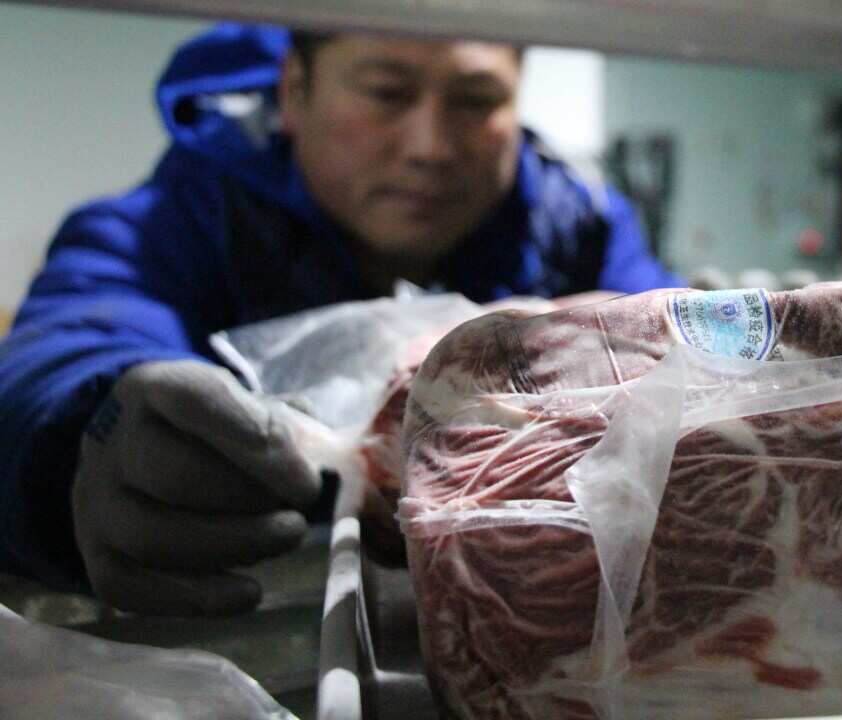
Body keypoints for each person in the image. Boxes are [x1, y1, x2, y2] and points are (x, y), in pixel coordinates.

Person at [0, 24, 680, 615]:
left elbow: (696, 370)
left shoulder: (578, 231)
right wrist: (83, 434)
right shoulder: (181, 221)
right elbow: (70, 344)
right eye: (387, 92)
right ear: (294, 90)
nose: (430, 147)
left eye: (478, 101)